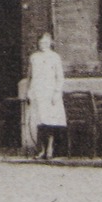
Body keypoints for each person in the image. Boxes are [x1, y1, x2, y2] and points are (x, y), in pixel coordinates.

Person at [26, 31, 67, 160]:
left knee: (50, 122)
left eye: (45, 42)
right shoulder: (34, 57)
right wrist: (29, 91)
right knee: (39, 122)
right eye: (41, 42)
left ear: (51, 42)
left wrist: (56, 93)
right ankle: (41, 149)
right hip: (38, 93)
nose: (42, 44)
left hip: (50, 94)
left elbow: (60, 78)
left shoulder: (55, 57)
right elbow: (30, 77)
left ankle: (50, 149)